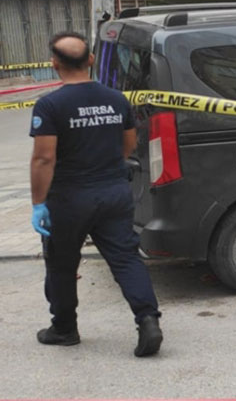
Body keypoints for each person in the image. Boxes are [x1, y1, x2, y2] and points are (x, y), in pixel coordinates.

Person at [29, 32, 163, 357]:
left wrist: (38, 204)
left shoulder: (50, 105)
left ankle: (64, 328)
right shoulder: (117, 99)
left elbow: (44, 158)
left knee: (61, 265)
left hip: (69, 198)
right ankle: (148, 320)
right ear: (90, 60)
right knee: (126, 259)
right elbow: (128, 144)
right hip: (114, 191)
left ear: (54, 64)